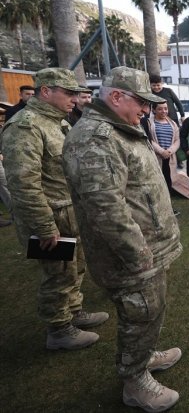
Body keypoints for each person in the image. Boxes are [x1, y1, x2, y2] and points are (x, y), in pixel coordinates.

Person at [62, 66, 182, 412]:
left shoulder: (120, 129)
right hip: (130, 255)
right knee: (139, 312)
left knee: (150, 310)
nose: (146, 110)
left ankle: (142, 357)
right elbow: (106, 209)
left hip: (148, 247)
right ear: (116, 97)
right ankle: (135, 382)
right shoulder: (95, 139)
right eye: (141, 102)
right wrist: (138, 253)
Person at [0, 68, 108, 350]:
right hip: (50, 219)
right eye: (69, 93)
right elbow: (23, 184)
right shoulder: (26, 126)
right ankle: (59, 330)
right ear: (46, 91)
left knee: (75, 268)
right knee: (58, 274)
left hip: (70, 213)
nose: (76, 98)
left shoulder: (57, 122)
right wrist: (44, 227)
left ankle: (73, 312)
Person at [145, 101, 180, 195]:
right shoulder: (148, 123)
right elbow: (148, 139)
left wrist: (169, 151)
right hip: (156, 157)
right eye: (160, 109)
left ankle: (169, 207)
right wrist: (161, 151)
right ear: (154, 110)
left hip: (169, 157)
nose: (163, 111)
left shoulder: (173, 123)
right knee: (156, 182)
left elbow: (177, 140)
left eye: (165, 108)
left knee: (169, 182)